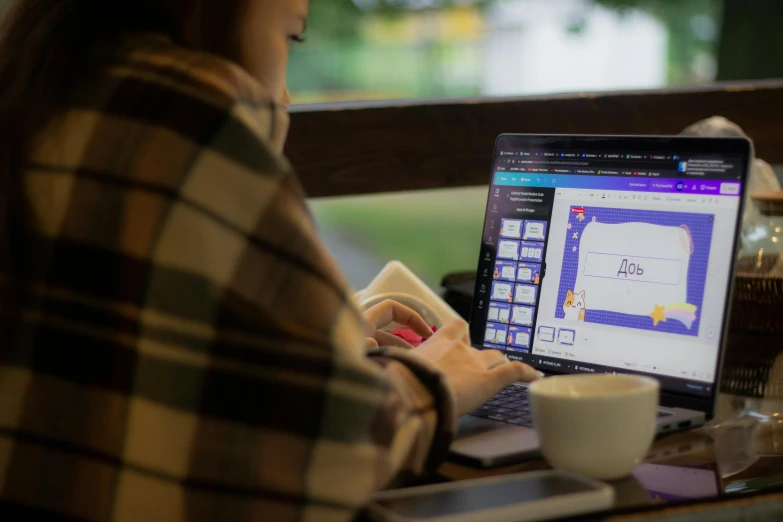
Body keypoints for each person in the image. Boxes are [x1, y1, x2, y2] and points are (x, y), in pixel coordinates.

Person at [0, 1, 540, 520]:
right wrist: (432, 384)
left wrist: (320, 344)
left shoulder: (44, 88)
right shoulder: (188, 118)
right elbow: (328, 454)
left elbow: (128, 353)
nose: (283, 94)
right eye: (291, 34)